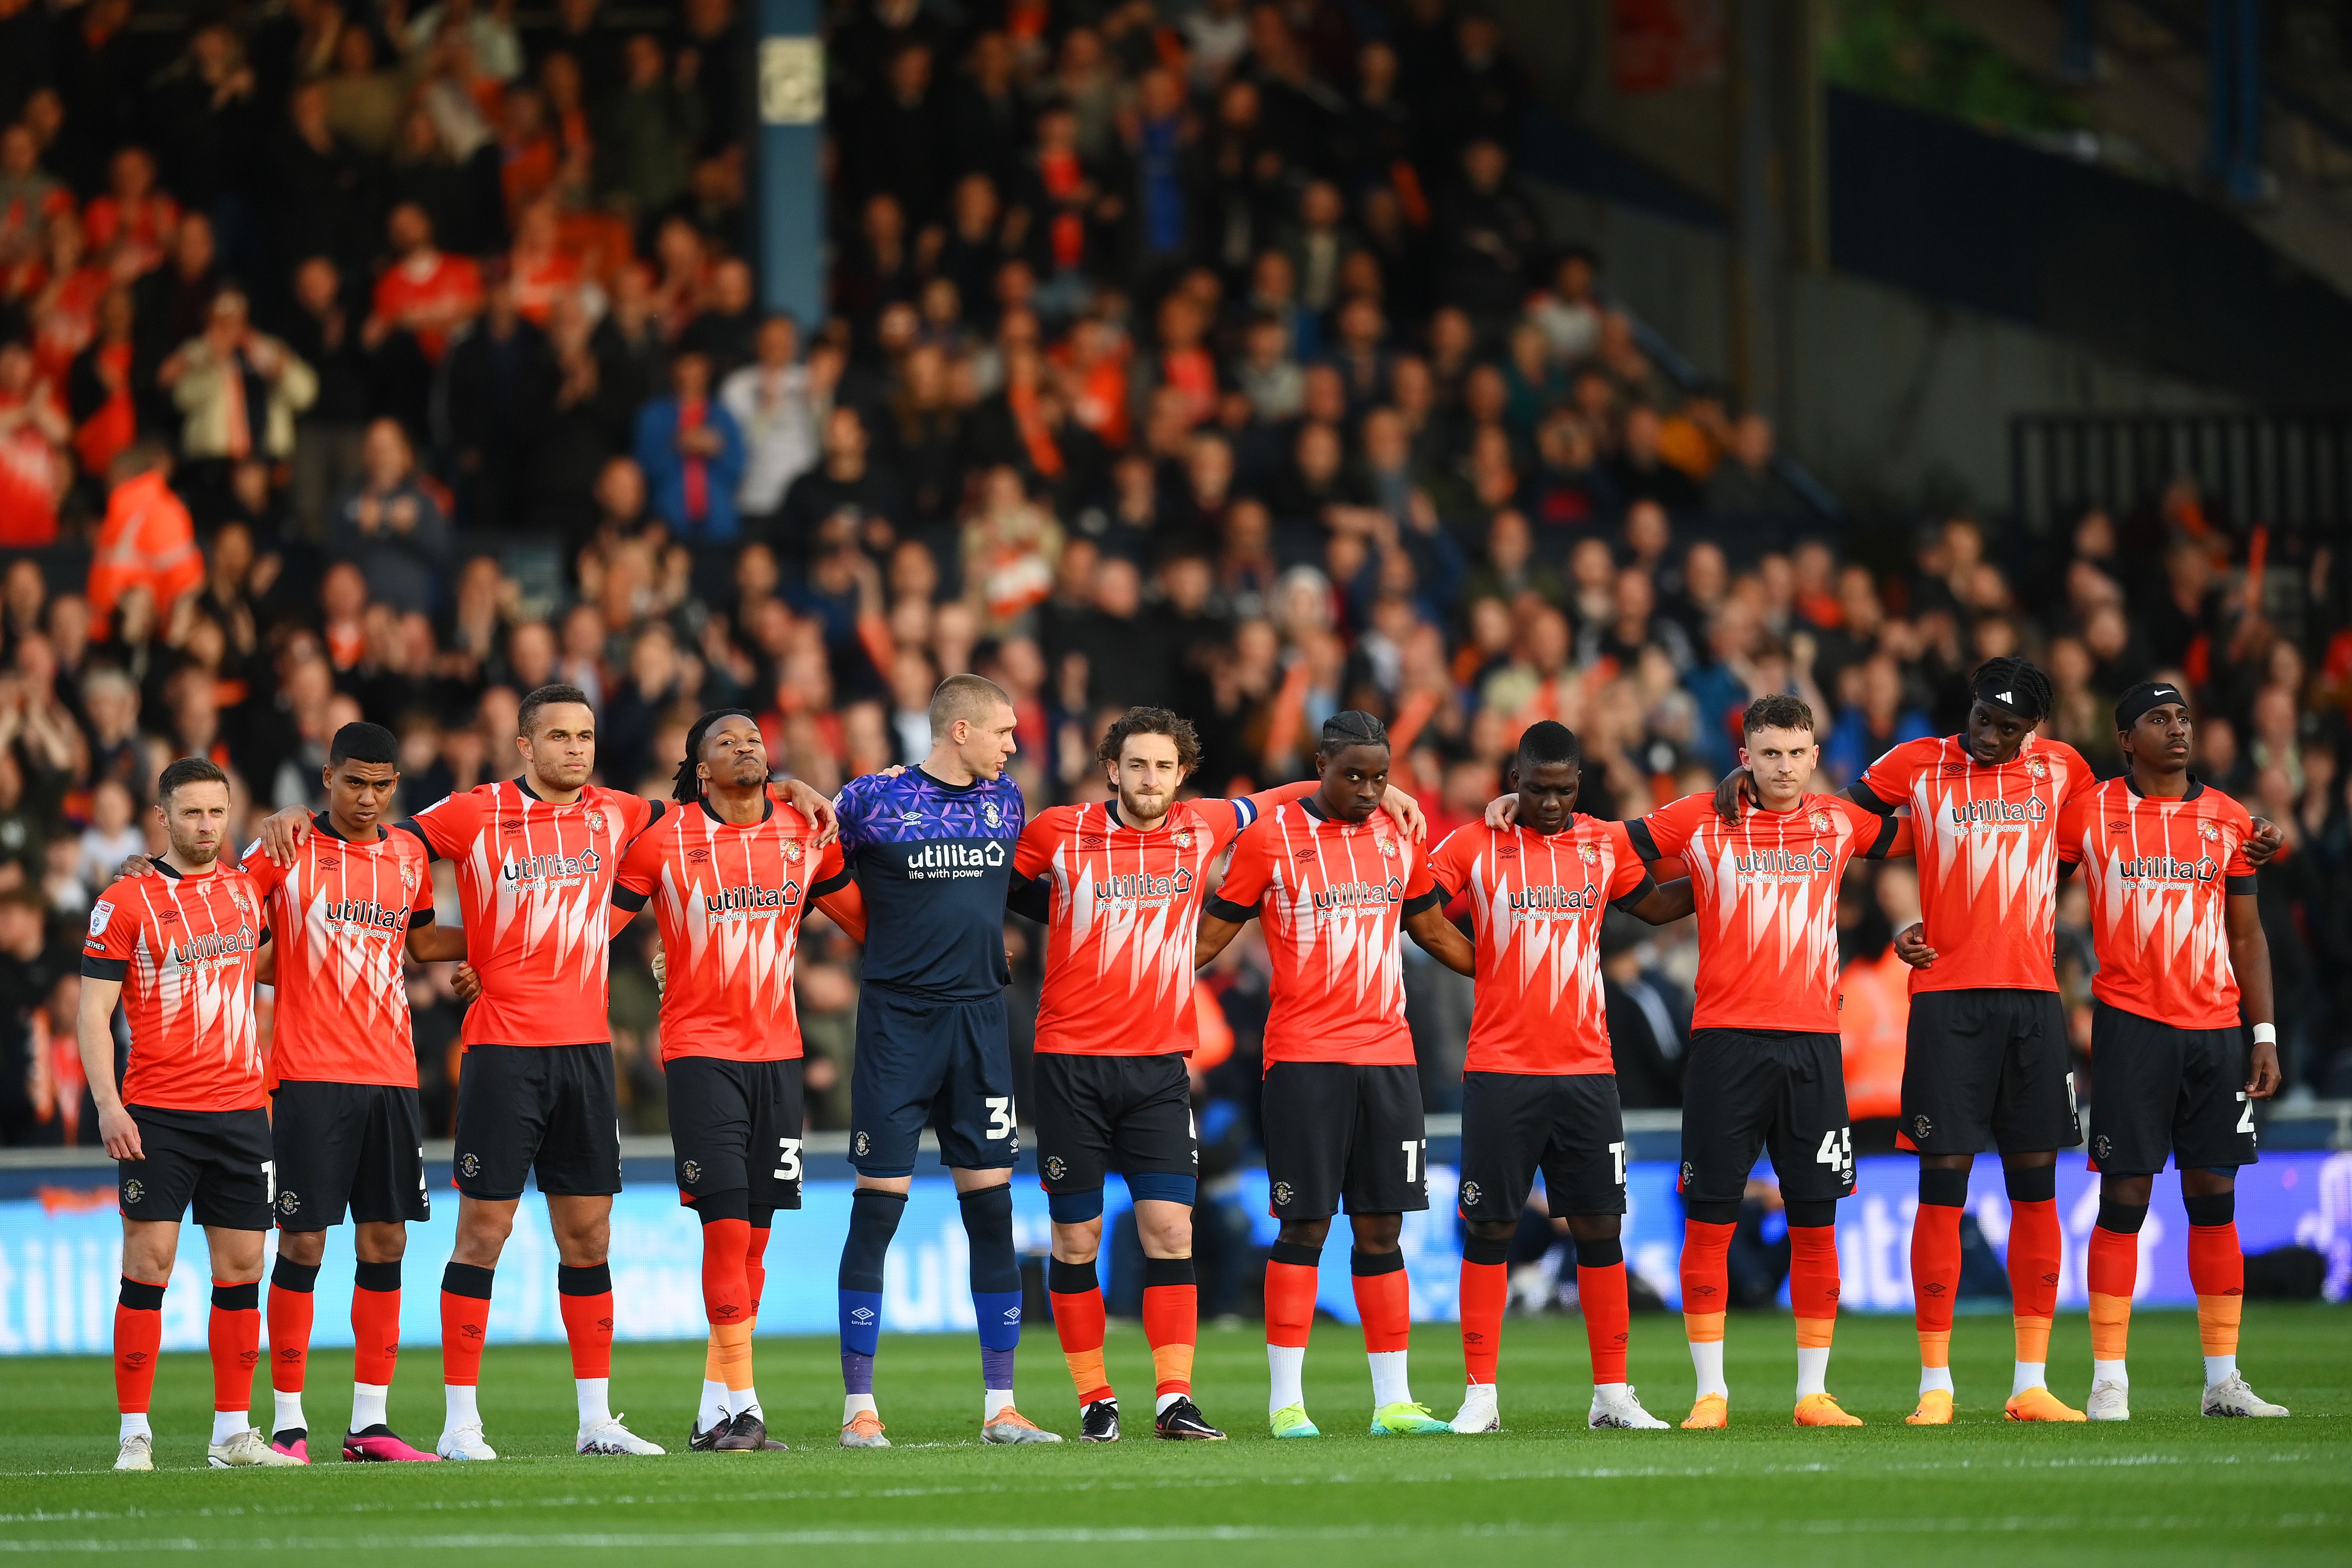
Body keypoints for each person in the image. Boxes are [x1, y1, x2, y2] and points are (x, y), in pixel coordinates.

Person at [258, 685, 831, 1458]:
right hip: (500, 1051)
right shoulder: (472, 811)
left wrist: (788, 785)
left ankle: (596, 1421)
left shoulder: (625, 812)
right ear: (525, 746)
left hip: (586, 1054)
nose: (576, 748)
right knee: (483, 1233)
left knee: (589, 1237)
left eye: (587, 735)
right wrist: (298, 822)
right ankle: (460, 1424)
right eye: (559, 736)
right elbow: (381, 844)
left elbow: (721, 804)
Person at [1714, 655, 2280, 1423]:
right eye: (1980, 717)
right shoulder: (1916, 762)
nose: (1986, 735)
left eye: (2006, 728)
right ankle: (1935, 1387)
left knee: (2035, 1188)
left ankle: (2030, 1383)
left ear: (2033, 731)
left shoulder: (2066, 772)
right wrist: (1748, 791)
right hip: (1947, 1005)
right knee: (1940, 1187)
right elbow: (1828, 819)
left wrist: (2246, 836)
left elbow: (2136, 825)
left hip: (2035, 1007)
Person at [1012, 705, 1424, 1443]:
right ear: (1112, 769)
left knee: (1172, 1232)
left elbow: (1296, 792)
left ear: (1181, 774)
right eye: (1136, 765)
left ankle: (1174, 1400)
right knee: (1076, 1239)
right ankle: (1094, 1400)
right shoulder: (1058, 830)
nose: (1150, 779)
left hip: (1162, 1065)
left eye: (1164, 767)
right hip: (1069, 1060)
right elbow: (995, 888)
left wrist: (1381, 791)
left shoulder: (1205, 824)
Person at [1192, 711, 1474, 1439]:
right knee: (1304, 1226)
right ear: (1319, 763)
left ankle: (1394, 1402)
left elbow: (1434, 930)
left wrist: (1507, 971)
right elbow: (1211, 937)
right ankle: (1286, 1401)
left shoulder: (1395, 834)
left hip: (1388, 1058)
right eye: (1353, 775)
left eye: (1380, 777)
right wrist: (1135, 958)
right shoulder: (1270, 839)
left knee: (1381, 1229)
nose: (1368, 789)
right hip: (1304, 1060)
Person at [1631, 695, 1912, 1428]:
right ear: (1745, 758)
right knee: (1710, 1223)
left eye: (1796, 753)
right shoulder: (1699, 818)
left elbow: (1937, 833)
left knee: (1815, 1225)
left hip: (1814, 1048)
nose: (1784, 767)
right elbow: (1603, 844)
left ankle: (1812, 1394)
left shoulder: (1840, 822)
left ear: (1815, 757)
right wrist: (1513, 804)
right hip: (1725, 1046)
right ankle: (1709, 1394)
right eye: (1769, 754)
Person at [609, 710, 866, 1452]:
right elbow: (593, 928)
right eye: (725, 742)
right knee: (724, 1231)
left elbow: (866, 924)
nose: (745, 748)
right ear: (698, 769)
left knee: (754, 1241)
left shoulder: (803, 832)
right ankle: (747, 1407)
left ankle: (712, 1413)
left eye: (754, 739)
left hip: (779, 1058)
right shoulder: (664, 840)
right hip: (701, 1055)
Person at [812, 674, 1058, 1447]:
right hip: (897, 1025)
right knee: (877, 1209)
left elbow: (1006, 893)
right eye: (1003, 732)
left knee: (992, 1211)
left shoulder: (1006, 801)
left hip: (981, 1023)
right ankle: (858, 1409)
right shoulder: (867, 801)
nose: (1013, 746)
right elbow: (802, 854)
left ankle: (1002, 1407)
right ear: (959, 730)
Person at [1432, 721, 1693, 1434]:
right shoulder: (1472, 842)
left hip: (1586, 1071)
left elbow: (1654, 903)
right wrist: (1480, 964)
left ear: (1579, 785)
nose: (1550, 803)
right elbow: (1414, 905)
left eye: (1563, 790)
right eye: (1536, 788)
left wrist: (1716, 874)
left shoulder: (1602, 843)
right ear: (1512, 780)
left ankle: (1612, 1394)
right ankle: (1480, 1395)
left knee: (1600, 1228)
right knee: (1490, 1227)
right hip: (1500, 1069)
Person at [2054, 681, 2288, 1420]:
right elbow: (2034, 887)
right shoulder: (2088, 811)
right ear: (2126, 739)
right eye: (2158, 718)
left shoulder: (2226, 819)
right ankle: (2108, 1382)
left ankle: (2222, 1381)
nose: (2176, 728)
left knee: (2213, 1202)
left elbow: (2247, 937)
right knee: (2123, 1198)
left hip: (2217, 1033)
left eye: (2183, 716)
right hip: (2129, 1029)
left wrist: (2263, 1034)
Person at [242, 723, 466, 1464]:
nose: (368, 798)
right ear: (329, 776)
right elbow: (229, 924)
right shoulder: (286, 846)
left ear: (394, 784)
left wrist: (502, 943)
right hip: (309, 1074)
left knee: (386, 1238)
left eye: (381, 785)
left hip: (391, 1075)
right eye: (354, 783)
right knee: (304, 1239)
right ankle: (287, 1423)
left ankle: (369, 1424)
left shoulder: (407, 854)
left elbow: (423, 943)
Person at [78, 758, 294, 1471]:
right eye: (192, 813)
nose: (206, 826)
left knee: (242, 1271)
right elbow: (92, 1015)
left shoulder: (243, 892)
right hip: (159, 1114)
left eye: (216, 813)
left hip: (241, 1111)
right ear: (163, 817)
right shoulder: (126, 902)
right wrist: (109, 1104)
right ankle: (134, 1433)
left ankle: (232, 1433)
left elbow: (272, 961)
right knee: (150, 1264)